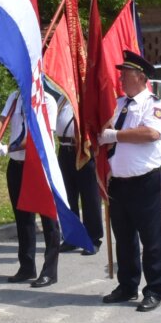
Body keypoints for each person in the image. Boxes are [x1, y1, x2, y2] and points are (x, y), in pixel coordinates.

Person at [98, 51, 161, 312]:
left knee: (151, 239)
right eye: (120, 74)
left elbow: (151, 133)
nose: (120, 79)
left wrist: (115, 135)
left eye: (125, 75)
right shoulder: (119, 104)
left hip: (145, 181)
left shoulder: (154, 105)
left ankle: (153, 290)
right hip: (119, 181)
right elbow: (102, 130)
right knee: (124, 237)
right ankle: (127, 285)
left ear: (141, 78)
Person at [0, 86, 61, 286]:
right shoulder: (14, 96)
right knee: (23, 217)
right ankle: (27, 266)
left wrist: (8, 147)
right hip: (17, 165)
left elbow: (40, 137)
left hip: (39, 165)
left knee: (48, 220)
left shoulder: (47, 101)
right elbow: (2, 119)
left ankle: (49, 271)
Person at [55, 97, 104, 256]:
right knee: (68, 196)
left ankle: (93, 238)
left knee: (90, 196)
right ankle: (72, 237)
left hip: (84, 150)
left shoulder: (88, 98)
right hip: (64, 149)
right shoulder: (63, 99)